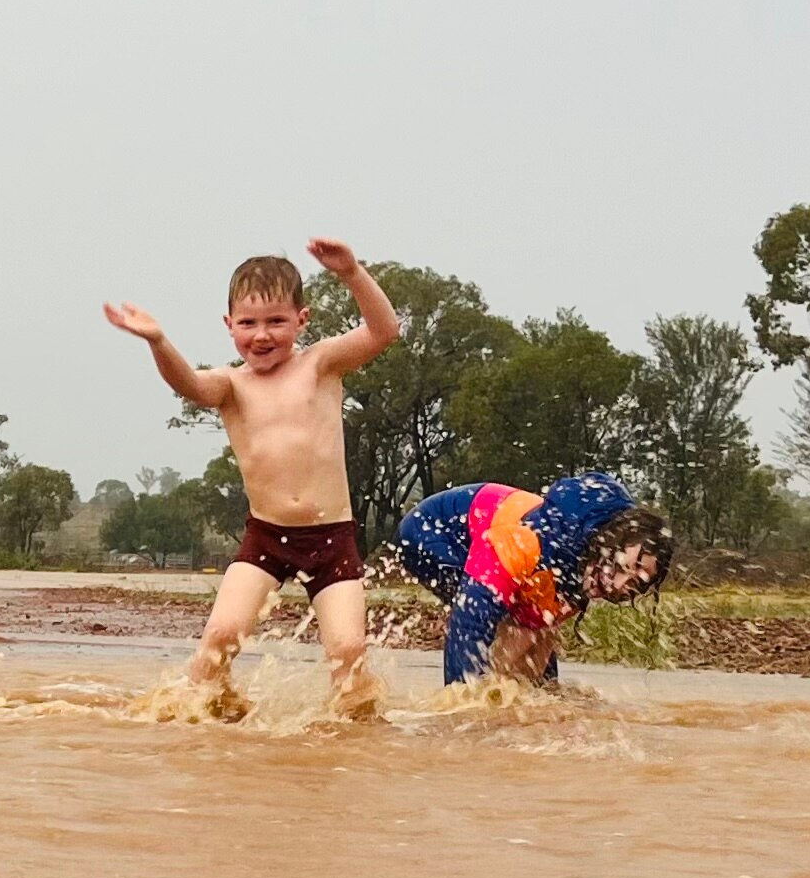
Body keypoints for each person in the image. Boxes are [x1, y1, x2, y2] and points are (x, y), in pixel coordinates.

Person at [103, 242, 401, 715]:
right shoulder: (231, 385)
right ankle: (213, 718)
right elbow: (190, 386)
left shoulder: (321, 365)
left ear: (302, 320)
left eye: (276, 322)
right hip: (266, 538)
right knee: (218, 640)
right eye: (248, 324)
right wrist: (158, 341)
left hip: (332, 539)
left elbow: (384, 332)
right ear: (229, 326)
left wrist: (352, 273)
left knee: (347, 652)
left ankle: (351, 745)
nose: (261, 336)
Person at [396, 475, 673, 685]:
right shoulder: (526, 544)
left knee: (538, 630)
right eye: (628, 566)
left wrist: (548, 692)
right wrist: (462, 710)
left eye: (634, 584)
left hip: (488, 529)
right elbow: (468, 626)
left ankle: (512, 698)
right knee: (509, 627)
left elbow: (541, 634)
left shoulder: (582, 567)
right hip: (431, 532)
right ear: (612, 538)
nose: (618, 586)